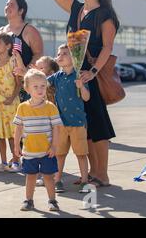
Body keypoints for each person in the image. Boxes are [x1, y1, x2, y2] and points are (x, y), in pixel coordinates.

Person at [28, 0, 119, 187]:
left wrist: (93, 71)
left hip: (91, 76)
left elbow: (107, 47)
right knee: (82, 125)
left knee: (97, 125)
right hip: (72, 75)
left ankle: (103, 174)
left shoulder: (105, 14)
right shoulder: (77, 8)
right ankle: (89, 174)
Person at [13, 69, 62, 212]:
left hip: (47, 151)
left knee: (48, 177)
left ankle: (52, 200)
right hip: (29, 151)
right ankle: (28, 200)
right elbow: (18, 128)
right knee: (30, 177)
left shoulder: (50, 107)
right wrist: (16, 145)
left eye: (42, 86)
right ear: (27, 89)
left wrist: (54, 146)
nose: (40, 89)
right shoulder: (22, 108)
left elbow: (56, 129)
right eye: (35, 86)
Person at [48, 45, 91, 193]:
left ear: (74, 59)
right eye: (58, 53)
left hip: (78, 123)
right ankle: (57, 180)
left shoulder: (79, 75)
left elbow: (86, 98)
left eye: (64, 54)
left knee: (81, 154)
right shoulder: (57, 76)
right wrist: (26, 71)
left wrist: (81, 87)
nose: (60, 56)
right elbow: (41, 81)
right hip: (60, 124)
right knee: (59, 154)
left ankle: (85, 181)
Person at [0, 33, 21, 173]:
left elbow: (19, 83)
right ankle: (3, 162)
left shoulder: (13, 61)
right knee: (0, 134)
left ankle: (16, 160)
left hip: (10, 103)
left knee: (12, 134)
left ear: (8, 46)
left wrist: (12, 97)